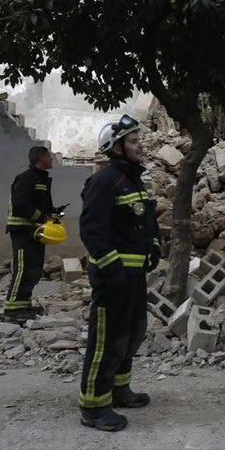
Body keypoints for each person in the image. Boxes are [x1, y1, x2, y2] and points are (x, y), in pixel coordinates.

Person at [77, 115, 162, 432]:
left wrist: (153, 246)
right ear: (115, 148)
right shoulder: (104, 181)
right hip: (113, 278)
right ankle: (93, 407)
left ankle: (118, 390)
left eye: (138, 140)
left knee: (131, 334)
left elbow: (148, 221)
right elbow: (92, 230)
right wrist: (111, 266)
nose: (140, 145)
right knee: (106, 340)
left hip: (133, 277)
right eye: (133, 141)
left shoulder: (132, 181)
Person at [4, 145, 61, 323]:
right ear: (40, 158)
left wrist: (53, 214)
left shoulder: (41, 179)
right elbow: (20, 204)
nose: (52, 159)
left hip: (36, 231)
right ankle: (12, 310)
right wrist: (41, 216)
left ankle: (24, 305)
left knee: (34, 270)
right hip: (22, 231)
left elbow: (40, 205)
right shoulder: (26, 178)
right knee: (23, 270)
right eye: (49, 156)